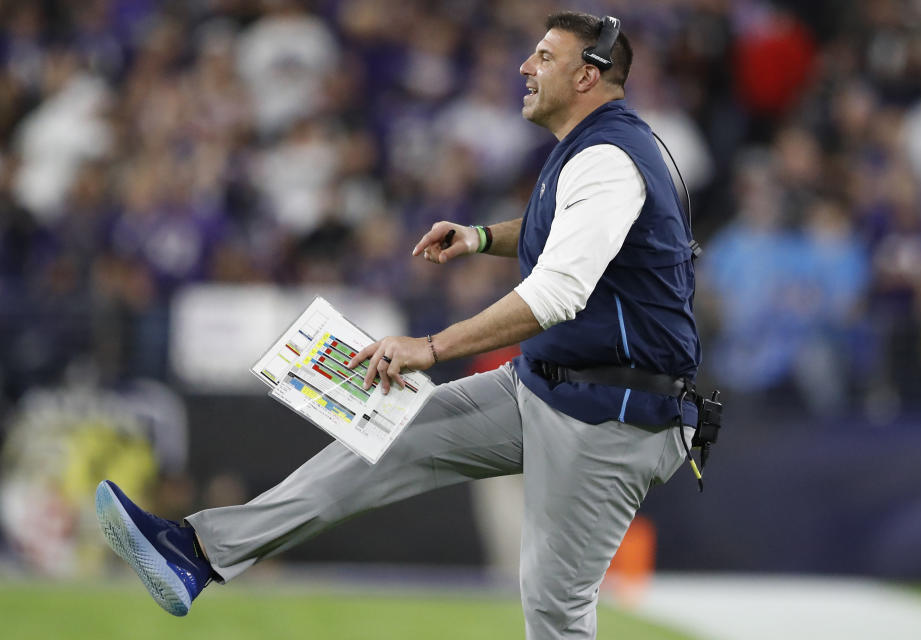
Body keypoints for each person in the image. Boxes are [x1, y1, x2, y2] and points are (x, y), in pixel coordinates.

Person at [95, 12, 701, 639]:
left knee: (554, 609)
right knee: (385, 439)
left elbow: (557, 293)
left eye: (545, 57)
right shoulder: (590, 148)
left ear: (588, 75)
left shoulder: (607, 158)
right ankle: (198, 553)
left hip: (612, 412)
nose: (526, 67)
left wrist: (431, 347)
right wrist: (482, 237)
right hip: (553, 385)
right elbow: (564, 233)